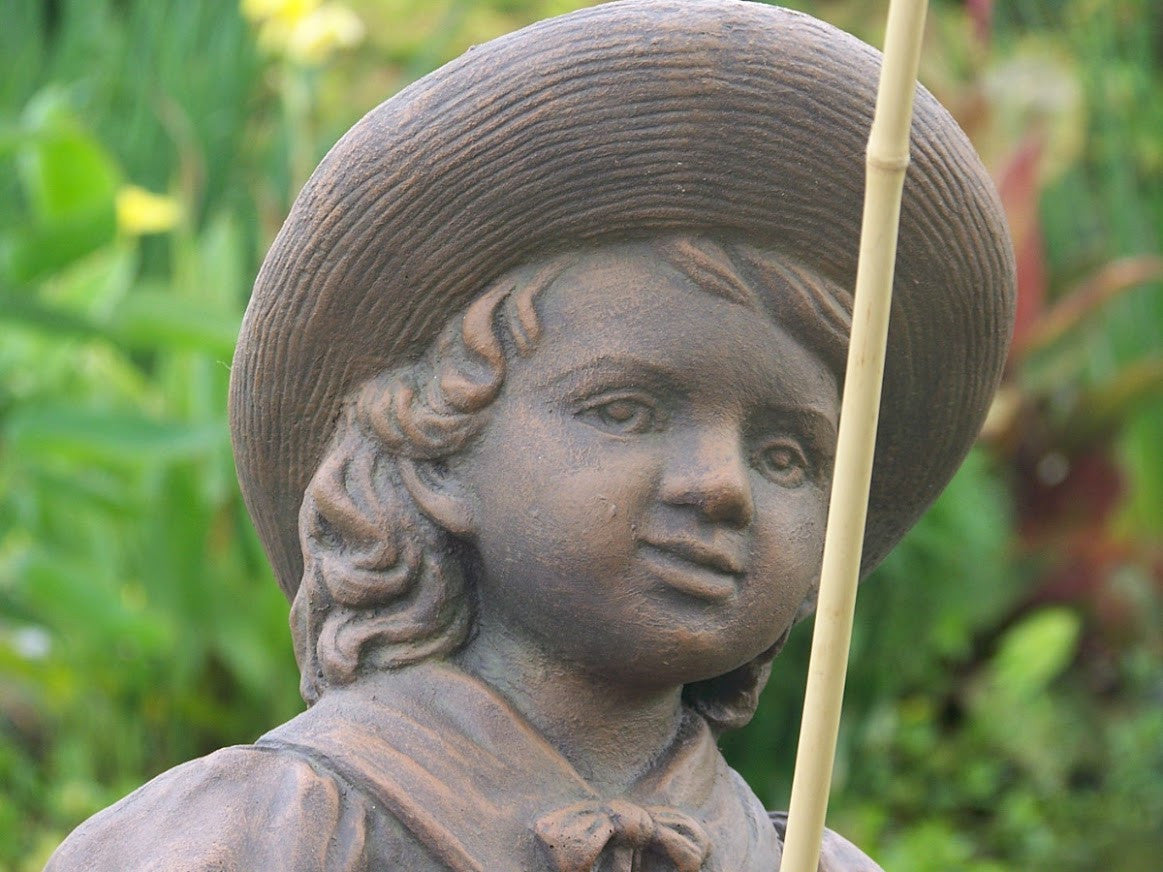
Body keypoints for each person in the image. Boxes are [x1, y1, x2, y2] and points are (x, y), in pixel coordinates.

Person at [46, 2, 1014, 870]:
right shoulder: (252, 839)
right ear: (437, 451)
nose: (719, 485)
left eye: (786, 454)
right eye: (623, 410)